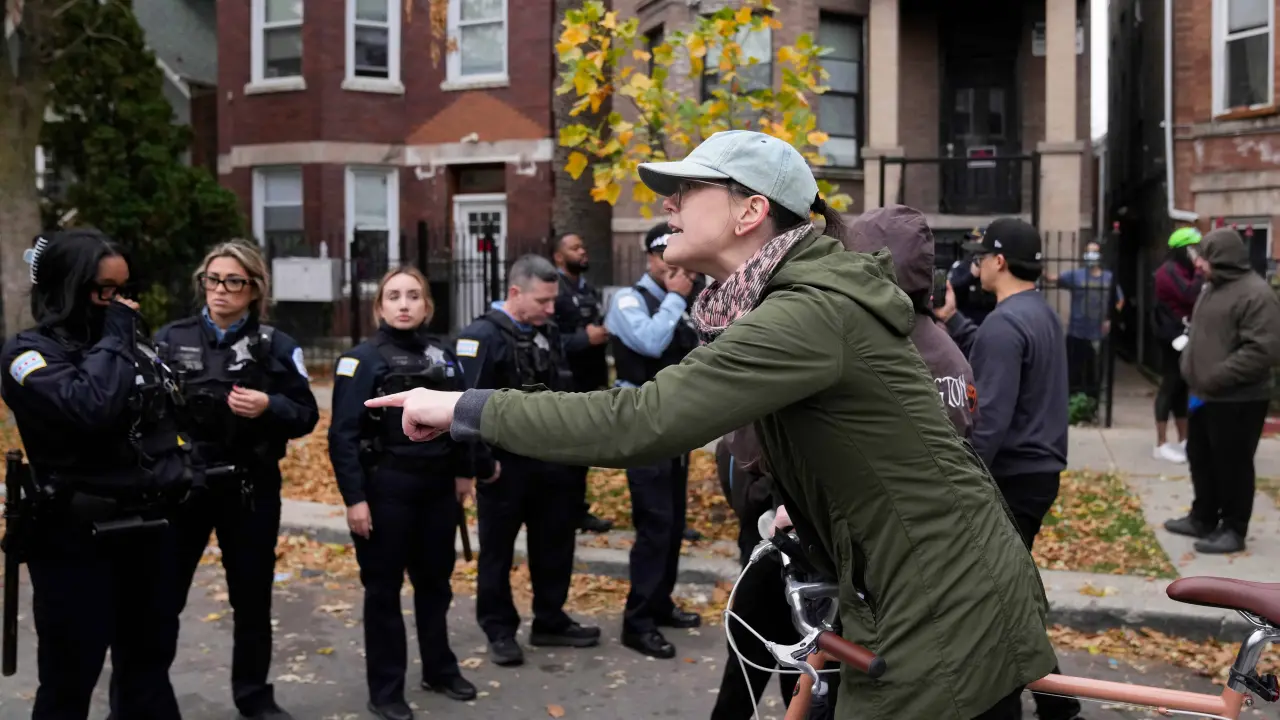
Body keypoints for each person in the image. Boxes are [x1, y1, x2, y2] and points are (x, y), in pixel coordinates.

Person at [368, 130, 1060, 720]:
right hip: (921, 588)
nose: (668, 204)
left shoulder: (807, 311)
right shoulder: (793, 300)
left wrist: (462, 407)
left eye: (689, 189)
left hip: (942, 611)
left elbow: (643, 419)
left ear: (750, 211)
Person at [711, 204, 981, 718]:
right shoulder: (949, 354)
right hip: (911, 558)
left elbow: (749, 449)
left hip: (817, 548)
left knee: (776, 668)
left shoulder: (846, 340)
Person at [0, 229, 199, 719]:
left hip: (149, 536)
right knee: (70, 682)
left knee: (147, 674)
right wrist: (115, 337)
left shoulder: (131, 344)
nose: (121, 304)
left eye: (124, 290)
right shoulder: (27, 354)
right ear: (67, 287)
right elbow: (90, 406)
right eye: (105, 292)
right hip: (75, 542)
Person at [151, 240, 319, 720]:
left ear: (253, 289)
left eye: (233, 282)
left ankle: (254, 696)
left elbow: (306, 414)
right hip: (184, 484)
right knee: (163, 595)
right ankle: (149, 694)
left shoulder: (276, 346)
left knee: (251, 598)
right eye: (212, 280)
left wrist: (271, 407)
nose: (220, 291)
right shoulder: (170, 338)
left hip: (249, 485)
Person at [328, 267, 495, 719]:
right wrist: (354, 499)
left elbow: (463, 417)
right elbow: (342, 436)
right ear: (380, 306)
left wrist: (465, 473)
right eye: (394, 296)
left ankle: (439, 669)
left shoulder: (444, 357)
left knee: (435, 586)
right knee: (383, 593)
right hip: (385, 492)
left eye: (414, 295)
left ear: (427, 306)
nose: (404, 304)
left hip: (438, 489)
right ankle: (385, 690)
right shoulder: (361, 361)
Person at [937, 218, 1081, 720]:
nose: (974, 263)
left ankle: (1008, 708)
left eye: (981, 255)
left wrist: (958, 487)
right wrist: (955, 323)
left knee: (991, 605)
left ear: (999, 262)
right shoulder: (1038, 313)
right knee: (1010, 596)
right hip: (1039, 473)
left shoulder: (1005, 323)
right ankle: (1057, 702)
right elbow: (1003, 360)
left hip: (1011, 479)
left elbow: (989, 421)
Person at [454, 254, 601, 668]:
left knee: (555, 543)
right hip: (505, 467)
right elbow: (465, 406)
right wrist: (481, 465)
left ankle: (550, 619)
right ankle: (499, 629)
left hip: (552, 462)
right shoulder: (482, 336)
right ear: (515, 293)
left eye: (554, 301)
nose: (552, 309)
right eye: (543, 301)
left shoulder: (546, 330)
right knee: (498, 553)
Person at [605, 223, 703, 658]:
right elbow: (648, 342)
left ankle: (661, 603)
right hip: (640, 422)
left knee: (674, 522)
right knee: (654, 524)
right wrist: (678, 298)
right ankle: (637, 621)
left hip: (676, 422)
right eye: (665, 255)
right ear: (650, 258)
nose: (673, 264)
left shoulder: (686, 301)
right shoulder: (628, 300)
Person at [1164, 227, 1280, 554]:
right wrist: (1191, 366)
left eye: (1204, 256)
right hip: (1204, 394)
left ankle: (1233, 528)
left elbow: (1262, 351)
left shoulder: (1256, 294)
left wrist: (1216, 375)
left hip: (1239, 398)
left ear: (1222, 258)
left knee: (1233, 463)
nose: (1198, 263)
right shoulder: (1211, 288)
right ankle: (1203, 517)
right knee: (1200, 456)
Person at [551, 232, 614, 535]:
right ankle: (564, 510)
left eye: (583, 245)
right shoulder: (554, 291)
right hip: (565, 382)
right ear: (559, 257)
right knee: (567, 454)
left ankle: (577, 509)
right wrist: (583, 339)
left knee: (583, 453)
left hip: (589, 379)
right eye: (575, 248)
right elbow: (550, 341)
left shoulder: (587, 289)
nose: (583, 251)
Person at [1150, 227, 1203, 464]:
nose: (1197, 252)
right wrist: (1201, 270)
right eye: (1193, 247)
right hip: (1171, 334)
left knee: (1182, 386)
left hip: (1184, 333)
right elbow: (1190, 294)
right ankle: (1161, 444)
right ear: (1183, 249)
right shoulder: (1168, 271)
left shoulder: (1183, 269)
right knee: (1170, 384)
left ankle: (1184, 439)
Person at [1046, 240, 1124, 401]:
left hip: (1098, 332)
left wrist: (1110, 318)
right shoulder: (1076, 275)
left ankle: (1092, 401)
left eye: (1094, 252)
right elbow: (1052, 279)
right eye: (1088, 252)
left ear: (1100, 255)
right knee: (1073, 369)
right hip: (1076, 330)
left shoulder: (1108, 278)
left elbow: (1120, 300)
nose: (1091, 255)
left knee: (1095, 370)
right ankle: (1072, 400)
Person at [948, 226, 998, 326]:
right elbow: (952, 290)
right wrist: (971, 276)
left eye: (976, 239)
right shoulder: (961, 265)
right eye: (972, 239)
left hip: (991, 322)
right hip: (965, 323)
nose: (973, 242)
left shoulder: (995, 265)